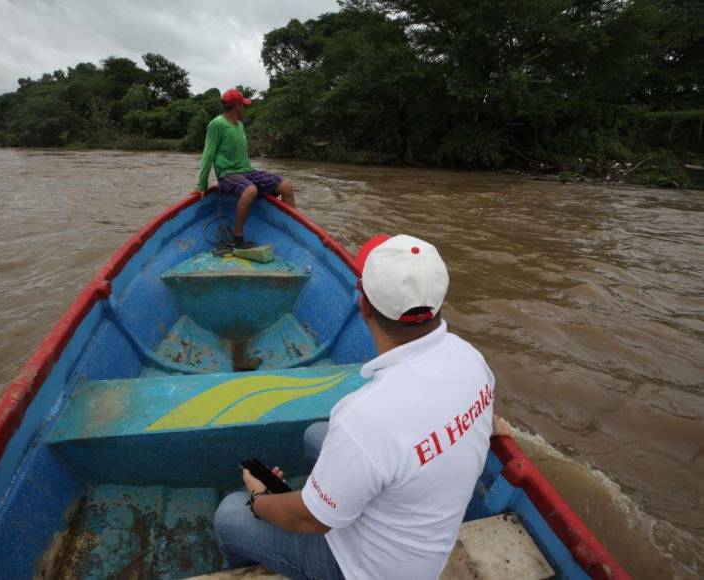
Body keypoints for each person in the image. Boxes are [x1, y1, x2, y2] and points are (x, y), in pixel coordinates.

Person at [213, 234, 509, 579]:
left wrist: (260, 499)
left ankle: (252, 567)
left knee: (231, 514)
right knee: (317, 435)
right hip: (421, 544)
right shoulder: (470, 358)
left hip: (367, 570)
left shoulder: (363, 416)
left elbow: (311, 520)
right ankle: (332, 490)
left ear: (364, 306)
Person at [192, 88, 295, 249]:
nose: (245, 109)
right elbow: (208, 155)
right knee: (250, 191)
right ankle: (237, 239)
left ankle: (293, 233)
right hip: (227, 174)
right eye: (243, 105)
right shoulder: (216, 124)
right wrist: (202, 185)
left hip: (247, 171)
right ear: (238, 107)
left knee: (286, 187)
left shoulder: (240, 125)